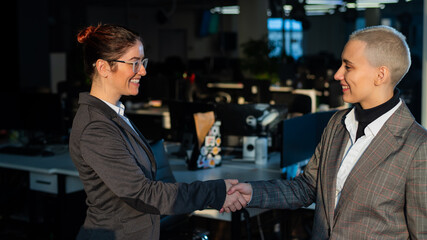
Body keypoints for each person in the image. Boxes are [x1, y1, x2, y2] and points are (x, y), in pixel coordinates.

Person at [227, 25, 427, 239]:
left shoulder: (417, 146)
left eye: (348, 67)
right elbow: (306, 188)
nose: (338, 74)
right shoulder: (337, 123)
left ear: (380, 75)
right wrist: (252, 192)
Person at [69, 24, 246, 240]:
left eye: (142, 62)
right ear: (103, 67)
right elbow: (144, 194)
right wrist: (214, 192)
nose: (143, 71)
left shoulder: (113, 115)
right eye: (134, 63)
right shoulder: (96, 128)